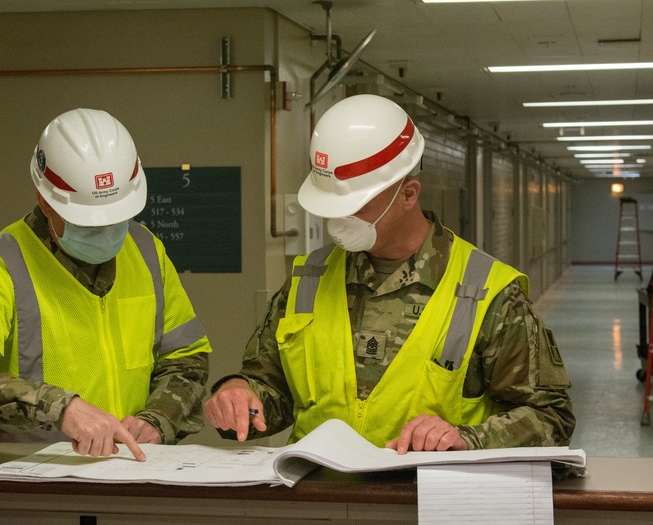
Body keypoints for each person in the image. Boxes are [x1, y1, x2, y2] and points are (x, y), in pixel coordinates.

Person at [205, 94, 574, 453]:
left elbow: (551, 417)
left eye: (353, 206)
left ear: (409, 194)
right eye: (331, 207)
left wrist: (467, 438)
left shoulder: (488, 292)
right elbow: (271, 390)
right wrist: (238, 394)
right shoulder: (308, 280)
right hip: (318, 499)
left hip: (423, 500)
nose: (338, 222)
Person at [0, 108, 211, 460]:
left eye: (118, 218)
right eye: (87, 221)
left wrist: (158, 418)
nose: (106, 232)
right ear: (44, 200)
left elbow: (187, 357)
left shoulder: (147, 251)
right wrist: (60, 408)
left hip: (132, 472)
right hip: (32, 483)